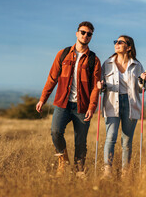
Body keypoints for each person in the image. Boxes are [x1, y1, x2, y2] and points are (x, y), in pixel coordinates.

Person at [36, 21, 101, 177]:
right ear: (77, 33)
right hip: (62, 103)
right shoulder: (63, 54)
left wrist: (92, 107)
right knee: (55, 132)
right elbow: (52, 78)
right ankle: (63, 161)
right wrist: (43, 99)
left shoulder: (94, 60)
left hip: (82, 107)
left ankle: (79, 173)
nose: (86, 36)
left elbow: (95, 87)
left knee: (80, 142)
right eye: (83, 32)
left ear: (91, 37)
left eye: (89, 34)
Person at [97, 35, 146, 178]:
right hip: (112, 102)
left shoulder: (137, 65)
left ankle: (126, 172)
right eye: (116, 42)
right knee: (110, 137)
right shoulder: (107, 63)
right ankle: (107, 171)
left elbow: (140, 89)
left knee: (126, 141)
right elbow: (101, 85)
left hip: (131, 104)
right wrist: (100, 86)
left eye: (120, 42)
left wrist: (143, 81)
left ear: (129, 47)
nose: (116, 44)